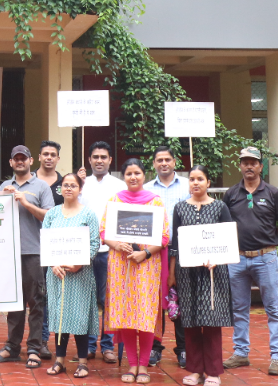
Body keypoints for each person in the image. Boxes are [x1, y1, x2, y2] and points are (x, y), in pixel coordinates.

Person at [222, 147, 278, 377]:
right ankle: (241, 353)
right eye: (245, 162)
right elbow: (224, 226)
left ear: (261, 166)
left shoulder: (273, 193)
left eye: (254, 162)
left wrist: (268, 245)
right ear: (240, 166)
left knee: (273, 307)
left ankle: (277, 357)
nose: (249, 166)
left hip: (266, 258)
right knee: (239, 308)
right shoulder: (231, 194)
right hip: (237, 259)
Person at [101, 158, 168, 384]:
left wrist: (145, 253)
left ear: (144, 175)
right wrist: (116, 244)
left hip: (147, 265)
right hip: (120, 265)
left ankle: (143, 365)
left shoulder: (155, 202)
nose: (133, 177)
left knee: (145, 316)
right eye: (129, 173)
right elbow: (104, 231)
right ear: (123, 176)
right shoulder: (115, 200)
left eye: (137, 173)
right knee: (127, 315)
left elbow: (165, 237)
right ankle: (131, 364)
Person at [0, 145, 55, 369]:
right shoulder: (4, 186)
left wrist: (25, 203)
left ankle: (35, 348)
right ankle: (12, 347)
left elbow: (50, 216)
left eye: (23, 159)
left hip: (34, 252)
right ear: (10, 163)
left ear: (30, 161)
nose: (20, 162)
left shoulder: (41, 186)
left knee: (36, 302)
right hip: (10, 253)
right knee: (14, 302)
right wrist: (1, 199)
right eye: (16, 159)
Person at [169, 165, 233, 386]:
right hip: (186, 272)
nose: (195, 183)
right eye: (192, 179)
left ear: (208, 183)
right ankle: (196, 370)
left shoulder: (220, 207)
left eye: (200, 179)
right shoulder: (179, 208)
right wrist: (171, 273)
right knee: (191, 320)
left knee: (212, 319)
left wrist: (218, 258)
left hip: (213, 272)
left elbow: (228, 240)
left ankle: (213, 371)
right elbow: (175, 244)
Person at [42, 172, 99, 379]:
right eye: (65, 185)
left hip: (80, 274)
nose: (68, 189)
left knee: (79, 317)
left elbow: (94, 244)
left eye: (73, 185)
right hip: (56, 274)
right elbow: (45, 242)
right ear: (60, 189)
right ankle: (60, 361)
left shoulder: (88, 214)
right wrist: (53, 263)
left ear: (80, 189)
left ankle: (83, 362)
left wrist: (78, 264)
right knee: (59, 316)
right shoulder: (52, 214)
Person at [79, 141, 125, 362]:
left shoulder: (119, 185)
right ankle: (89, 345)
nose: (99, 160)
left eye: (103, 157)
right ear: (89, 160)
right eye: (95, 157)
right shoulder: (81, 184)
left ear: (110, 160)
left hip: (110, 251)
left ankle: (107, 346)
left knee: (108, 300)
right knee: (88, 299)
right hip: (85, 250)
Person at [146, 145, 191, 369]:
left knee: (181, 300)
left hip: (183, 250)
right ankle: (154, 348)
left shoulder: (187, 185)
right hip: (154, 252)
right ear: (154, 164)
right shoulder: (146, 189)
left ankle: (183, 349)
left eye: (167, 159)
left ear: (175, 162)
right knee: (155, 303)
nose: (163, 163)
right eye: (159, 160)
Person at [35, 140, 65, 358]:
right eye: (45, 153)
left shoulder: (65, 183)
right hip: (33, 245)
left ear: (57, 158)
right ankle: (41, 341)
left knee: (57, 295)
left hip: (59, 245)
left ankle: (59, 342)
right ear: (38, 157)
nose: (48, 157)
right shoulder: (29, 180)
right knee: (39, 296)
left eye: (52, 154)